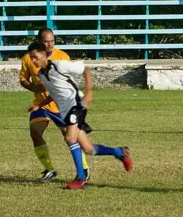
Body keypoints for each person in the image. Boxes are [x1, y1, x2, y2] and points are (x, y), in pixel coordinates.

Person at [26, 40, 133, 190]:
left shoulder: (59, 65)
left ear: (44, 54)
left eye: (35, 57)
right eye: (31, 58)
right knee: (88, 149)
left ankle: (80, 178)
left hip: (76, 105)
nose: (33, 60)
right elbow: (55, 92)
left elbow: (86, 69)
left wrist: (88, 93)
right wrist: (39, 105)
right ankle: (119, 152)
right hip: (66, 111)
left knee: (70, 138)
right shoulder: (41, 74)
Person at [19, 28, 90, 182]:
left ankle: (83, 168)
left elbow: (69, 81)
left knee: (71, 138)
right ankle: (49, 169)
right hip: (41, 104)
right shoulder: (28, 58)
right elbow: (23, 79)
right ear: (39, 42)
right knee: (35, 132)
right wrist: (34, 88)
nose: (50, 44)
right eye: (46, 41)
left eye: (52, 41)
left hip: (61, 106)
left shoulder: (62, 57)